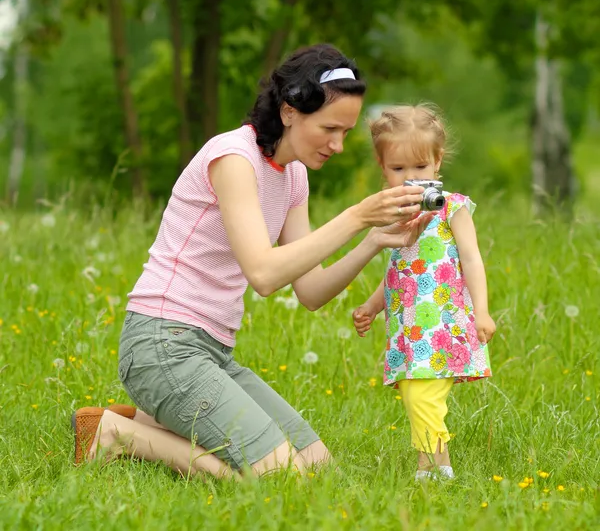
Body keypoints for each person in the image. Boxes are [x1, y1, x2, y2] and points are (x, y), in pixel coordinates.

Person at [72, 45, 435, 479]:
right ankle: (117, 433)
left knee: (320, 471)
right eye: (330, 128)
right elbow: (263, 274)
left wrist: (372, 240)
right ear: (289, 112)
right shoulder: (233, 158)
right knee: (283, 479)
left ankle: (147, 420)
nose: (338, 145)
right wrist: (356, 215)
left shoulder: (294, 175)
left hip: (212, 354)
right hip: (162, 344)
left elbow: (311, 291)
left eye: (346, 132)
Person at [352, 104, 496, 481]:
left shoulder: (452, 208)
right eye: (398, 169)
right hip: (410, 328)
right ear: (382, 168)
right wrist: (372, 306)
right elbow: (398, 272)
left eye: (420, 168)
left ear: (437, 163)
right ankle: (438, 463)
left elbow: (472, 259)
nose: (410, 177)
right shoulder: (395, 215)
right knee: (418, 395)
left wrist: (482, 311)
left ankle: (431, 467)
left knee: (422, 396)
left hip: (442, 324)